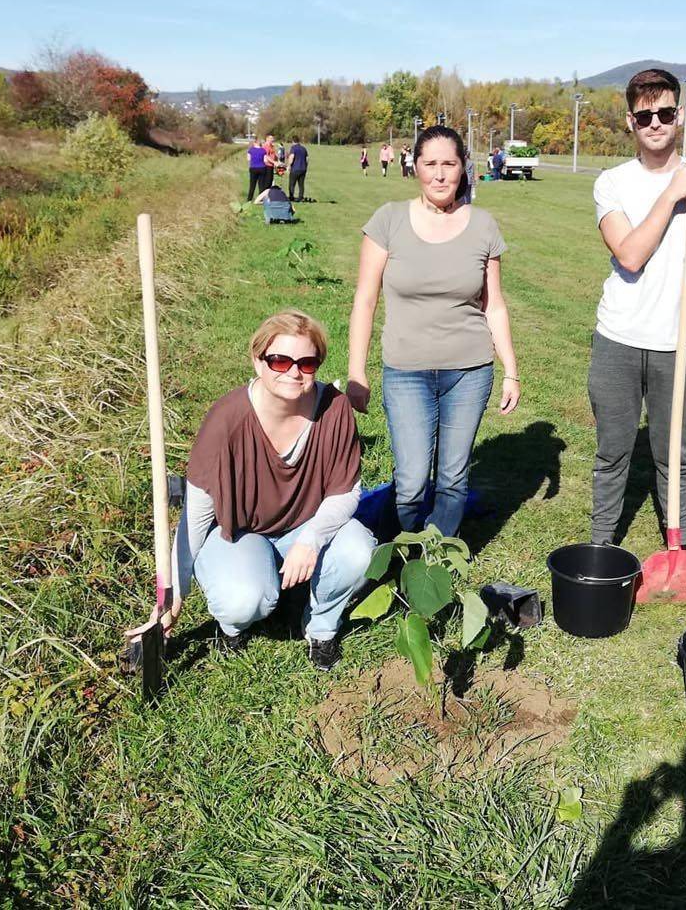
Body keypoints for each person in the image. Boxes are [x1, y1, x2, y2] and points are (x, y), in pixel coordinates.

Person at [589, 67, 686, 595]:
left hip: (679, 343)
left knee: (671, 453)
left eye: (666, 113)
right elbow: (629, 255)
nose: (656, 123)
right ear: (631, 121)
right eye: (645, 115)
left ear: (679, 116)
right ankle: (601, 547)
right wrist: (671, 194)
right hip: (620, 338)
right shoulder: (612, 182)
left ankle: (681, 552)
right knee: (612, 449)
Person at [170, 310, 375, 670]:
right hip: (239, 531)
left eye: (307, 363)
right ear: (257, 360)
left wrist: (310, 539)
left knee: (359, 549)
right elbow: (197, 514)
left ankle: (321, 626)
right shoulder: (226, 419)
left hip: (303, 525)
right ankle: (233, 626)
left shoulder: (335, 408)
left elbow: (345, 492)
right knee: (245, 599)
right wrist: (174, 596)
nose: (293, 373)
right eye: (279, 360)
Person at [347, 125, 520, 537]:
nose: (440, 175)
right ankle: (405, 553)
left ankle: (436, 565)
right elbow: (364, 300)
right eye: (431, 164)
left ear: (463, 169)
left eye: (450, 164)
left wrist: (510, 368)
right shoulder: (388, 220)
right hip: (406, 372)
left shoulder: (483, 225)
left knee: (453, 480)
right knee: (409, 484)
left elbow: (493, 304)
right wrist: (357, 371)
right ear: (415, 166)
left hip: (470, 371)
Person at [287, 137, 310, 202]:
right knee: (301, 184)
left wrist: (289, 166)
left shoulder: (293, 148)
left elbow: (292, 157)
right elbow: (307, 159)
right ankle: (300, 197)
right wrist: (305, 166)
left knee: (292, 184)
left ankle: (291, 197)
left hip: (295, 169)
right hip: (303, 169)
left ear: (293, 142)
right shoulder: (304, 148)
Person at [246, 138, 268, 202]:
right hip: (262, 168)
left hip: (253, 168)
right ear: (260, 143)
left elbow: (248, 159)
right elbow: (265, 160)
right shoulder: (263, 150)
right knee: (261, 185)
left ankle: (249, 199)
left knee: (252, 184)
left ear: (254, 143)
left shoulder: (250, 150)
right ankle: (260, 199)